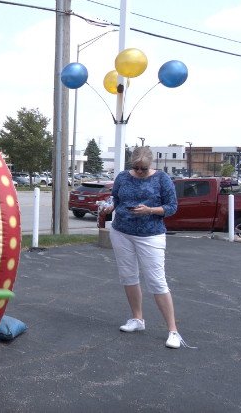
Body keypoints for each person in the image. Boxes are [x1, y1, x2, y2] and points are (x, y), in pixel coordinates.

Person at [100, 146, 194, 349]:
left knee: (157, 281)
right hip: (122, 232)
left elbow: (172, 207)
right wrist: (109, 205)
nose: (140, 171)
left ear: (151, 165)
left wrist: (149, 210)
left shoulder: (162, 179)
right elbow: (115, 197)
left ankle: (173, 331)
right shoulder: (123, 177)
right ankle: (137, 320)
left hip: (150, 235)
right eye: (136, 167)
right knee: (128, 276)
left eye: (144, 168)